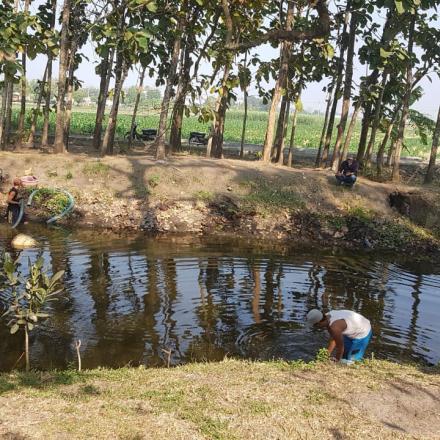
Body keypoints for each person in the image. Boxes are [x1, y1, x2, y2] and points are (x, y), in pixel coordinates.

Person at [307, 309, 372, 362]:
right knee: (345, 355)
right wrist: (326, 355)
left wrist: (336, 361)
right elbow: (334, 339)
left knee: (351, 360)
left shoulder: (334, 327)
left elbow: (340, 348)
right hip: (354, 327)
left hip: (363, 331)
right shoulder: (328, 316)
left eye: (315, 325)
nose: (316, 327)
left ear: (319, 323)